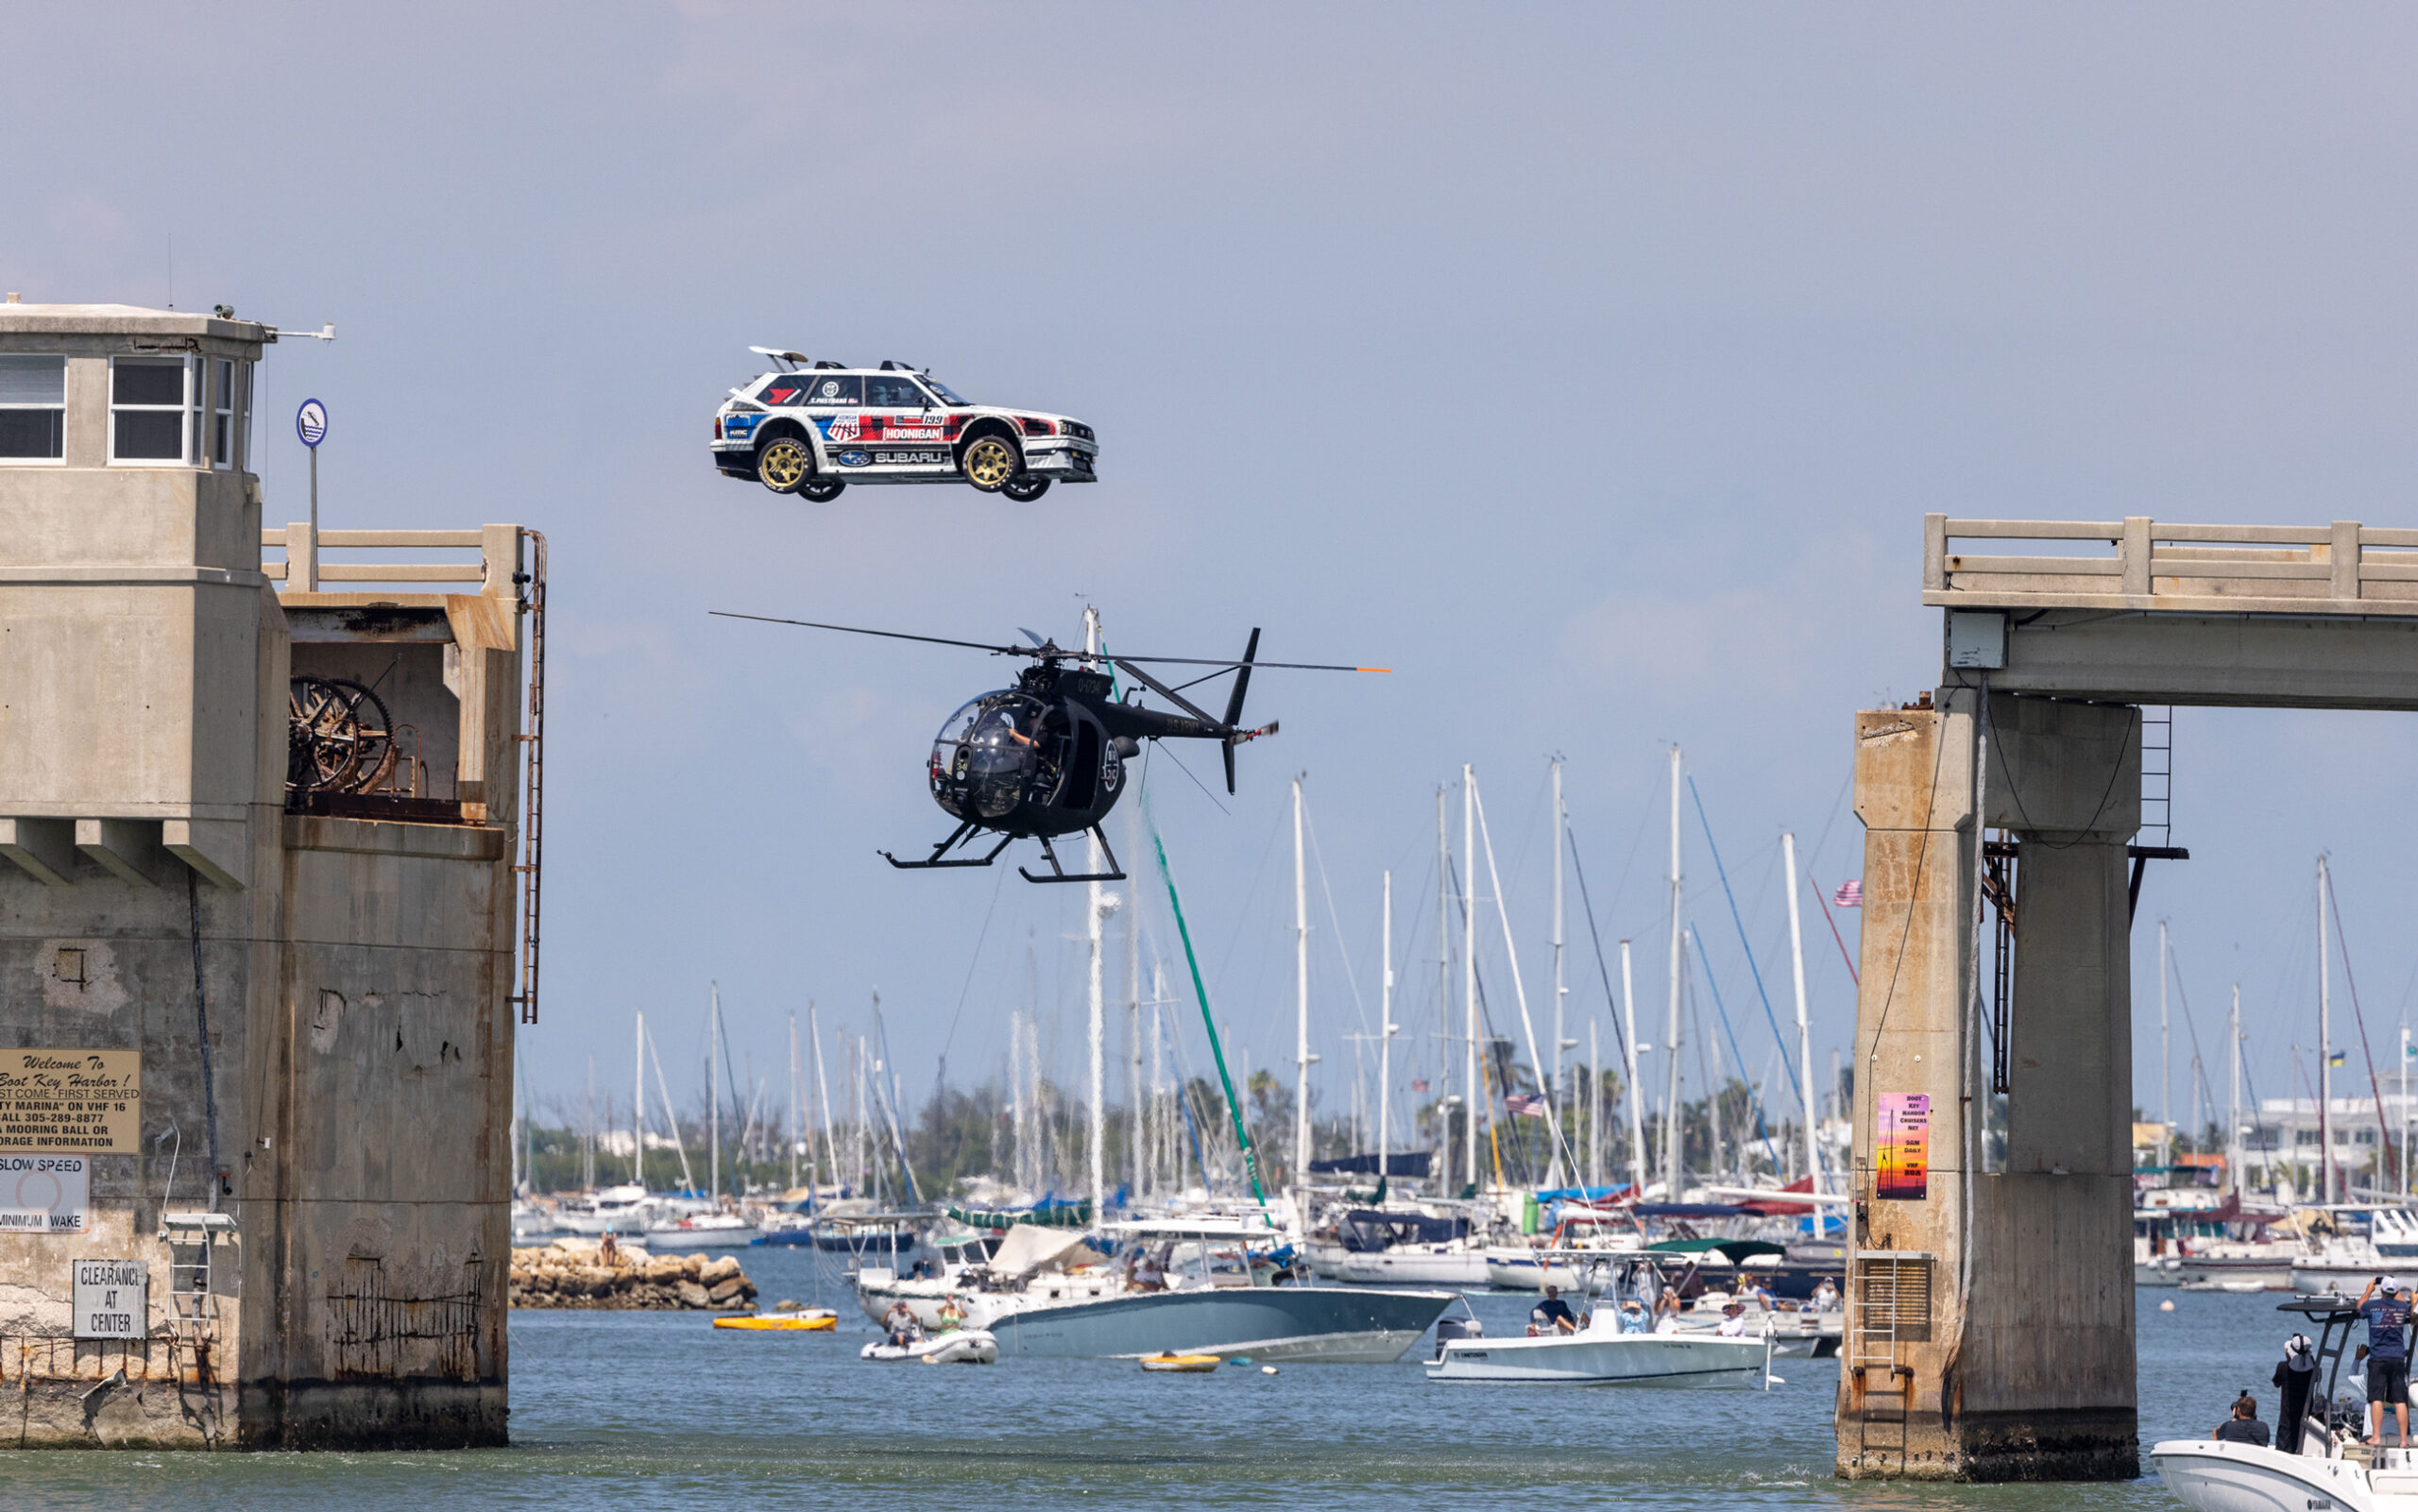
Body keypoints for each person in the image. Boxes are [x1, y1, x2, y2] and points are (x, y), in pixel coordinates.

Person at [2359, 1275, 2414, 1448]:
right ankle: (2404, 1440)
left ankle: (2375, 1436)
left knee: (2376, 1398)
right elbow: (2400, 1299)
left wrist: (2369, 1290)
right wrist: (2396, 1291)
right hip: (2397, 1358)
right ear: (2396, 1291)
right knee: (2400, 1400)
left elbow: (2359, 1307)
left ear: (2381, 1290)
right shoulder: (2402, 1306)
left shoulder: (2371, 1306)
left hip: (2378, 1358)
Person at [2275, 1334, 2320, 1454]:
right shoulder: (2313, 1370)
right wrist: (2311, 1359)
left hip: (2287, 1419)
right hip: (2306, 1417)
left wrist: (2289, 1358)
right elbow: (2317, 1377)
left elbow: (2276, 1383)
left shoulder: (2283, 1367)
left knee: (2283, 1453)